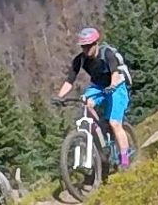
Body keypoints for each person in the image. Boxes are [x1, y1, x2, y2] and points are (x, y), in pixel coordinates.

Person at [56, 26, 133, 168]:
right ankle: (101, 127)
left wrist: (112, 85)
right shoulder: (80, 60)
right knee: (85, 102)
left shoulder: (107, 53)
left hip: (116, 86)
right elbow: (69, 81)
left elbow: (115, 73)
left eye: (88, 46)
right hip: (98, 87)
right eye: (83, 47)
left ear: (96, 43)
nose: (86, 50)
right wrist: (59, 97)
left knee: (115, 123)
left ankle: (125, 160)